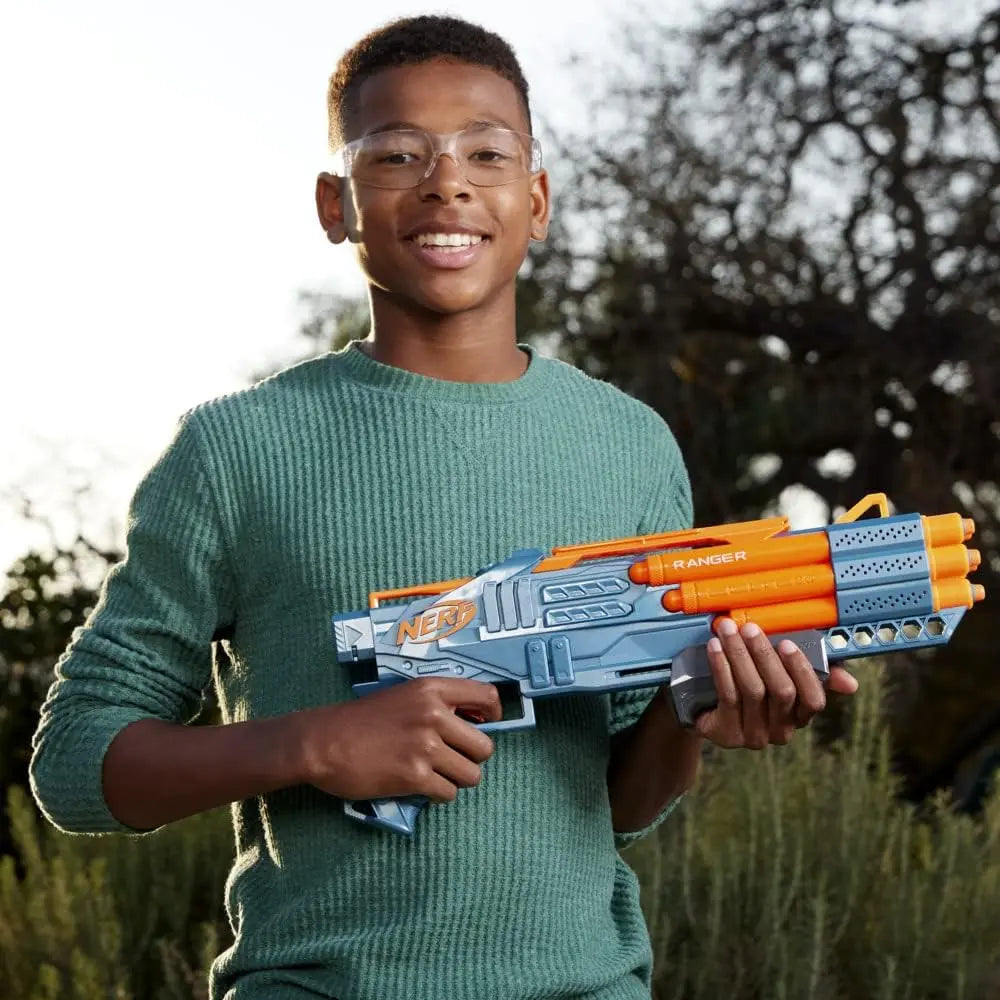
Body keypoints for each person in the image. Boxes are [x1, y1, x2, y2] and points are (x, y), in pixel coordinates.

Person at [29, 14, 858, 1000]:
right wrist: (314, 744)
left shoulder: (629, 445)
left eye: (487, 153)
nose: (447, 183)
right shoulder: (233, 449)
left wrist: (701, 712)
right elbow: (75, 763)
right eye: (398, 155)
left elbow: (618, 806)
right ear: (336, 205)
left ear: (536, 201)